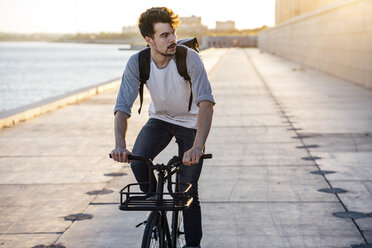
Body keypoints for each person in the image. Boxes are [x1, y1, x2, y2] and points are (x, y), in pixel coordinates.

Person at [110, 7, 215, 248]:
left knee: (186, 192)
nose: (172, 40)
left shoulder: (189, 58)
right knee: (137, 161)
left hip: (191, 123)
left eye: (173, 33)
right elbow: (122, 108)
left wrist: (197, 147)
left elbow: (206, 104)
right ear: (149, 40)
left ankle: (192, 245)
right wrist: (119, 145)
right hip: (160, 120)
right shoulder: (138, 62)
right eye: (164, 35)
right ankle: (157, 208)